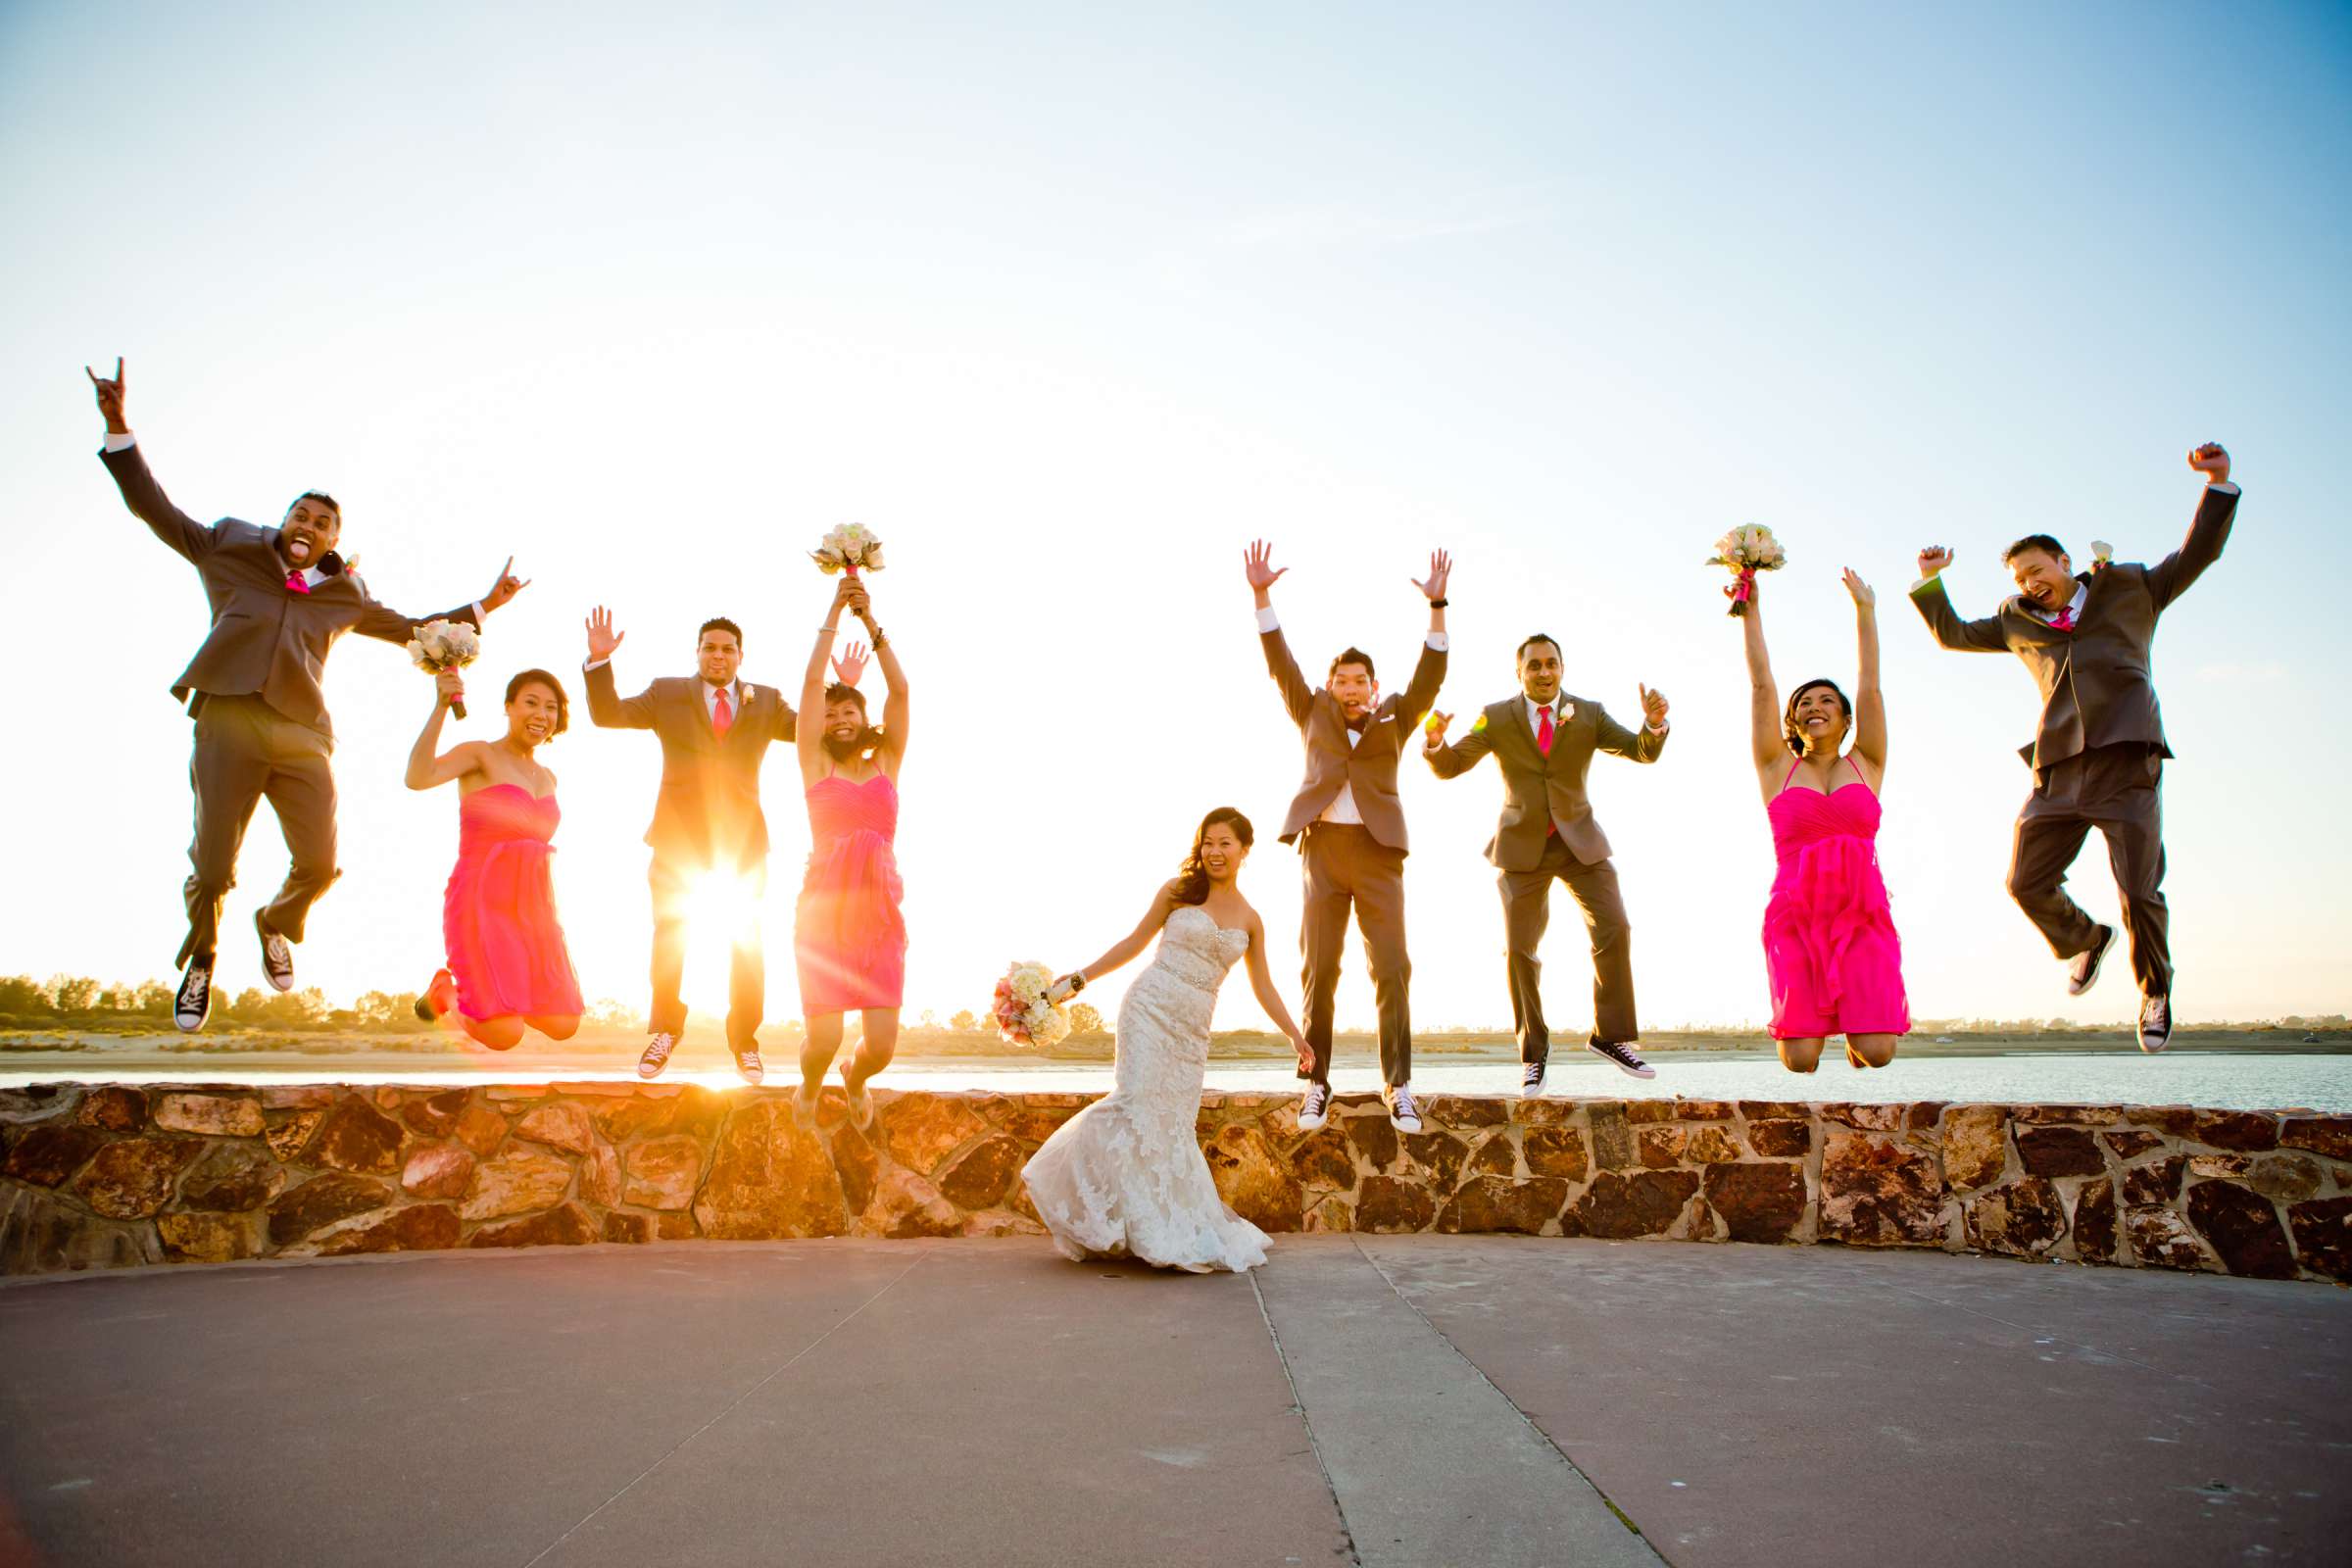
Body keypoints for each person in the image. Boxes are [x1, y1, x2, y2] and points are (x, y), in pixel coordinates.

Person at [86, 359, 528, 1032]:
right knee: (211, 867)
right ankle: (201, 958)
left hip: (302, 734)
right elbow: (156, 510)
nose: (309, 523)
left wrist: (485, 605)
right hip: (229, 718)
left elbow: (413, 629)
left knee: (321, 862)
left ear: (333, 541)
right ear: (284, 521)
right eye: (300, 513)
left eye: (323, 521)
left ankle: (277, 921)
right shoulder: (228, 546)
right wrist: (121, 431)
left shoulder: (345, 593)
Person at [1910, 443, 2239, 1054]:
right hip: (2057, 769)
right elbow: (1953, 634)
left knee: (2139, 888)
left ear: (2064, 562)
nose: (2031, 585)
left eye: (2038, 571)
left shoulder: (2133, 587)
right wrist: (1932, 581)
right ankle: (2086, 940)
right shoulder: (2015, 619)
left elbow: (2199, 553)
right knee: (2024, 881)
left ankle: (2155, 990)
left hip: (2126, 764)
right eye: (2020, 579)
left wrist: (2217, 484)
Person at [1021, 808, 1310, 1273]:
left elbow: (1264, 986)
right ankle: (1093, 1210)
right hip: (1149, 1008)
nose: (1214, 852)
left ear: (1244, 850)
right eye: (1207, 843)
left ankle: (1156, 1228)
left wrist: (1295, 1035)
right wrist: (1077, 981)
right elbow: (1134, 942)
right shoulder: (1178, 893)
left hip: (1192, 1031)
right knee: (1132, 1102)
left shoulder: (1251, 919)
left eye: (1224, 843)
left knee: (1172, 1126)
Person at [1246, 540, 1448, 1136]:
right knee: (1320, 971)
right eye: (1342, 679)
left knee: (1392, 967)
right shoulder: (1310, 710)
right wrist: (1262, 596)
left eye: (1360, 680)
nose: (1351, 687)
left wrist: (1437, 606)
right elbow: (1278, 660)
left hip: (1380, 854)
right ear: (1331, 686)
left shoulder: (1396, 716)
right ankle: (1315, 1081)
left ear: (1374, 686)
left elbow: (1432, 673)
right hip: (1323, 855)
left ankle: (1399, 1084)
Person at [1422, 635, 1669, 1093]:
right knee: (1519, 950)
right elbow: (1453, 763)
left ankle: (1611, 1036)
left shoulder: (1589, 713)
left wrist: (1653, 726)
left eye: (1551, 663)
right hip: (1521, 850)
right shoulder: (1493, 717)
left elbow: (1639, 750)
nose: (1543, 671)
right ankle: (1533, 1055)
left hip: (1581, 845)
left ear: (1562, 667)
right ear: (1519, 672)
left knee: (1615, 927)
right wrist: (1435, 743)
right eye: (1533, 665)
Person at [584, 608, 798, 1083]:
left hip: (742, 842)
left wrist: (840, 690)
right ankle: (664, 1032)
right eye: (709, 647)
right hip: (677, 836)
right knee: (671, 935)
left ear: (741, 656)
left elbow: (814, 734)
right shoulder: (668, 693)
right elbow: (609, 715)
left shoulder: (766, 700)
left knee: (747, 942)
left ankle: (745, 1042)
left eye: (727, 649)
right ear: (697, 652)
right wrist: (599, 663)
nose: (717, 655)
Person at [1740, 571, 1908, 1072]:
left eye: (1826, 701)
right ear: (1793, 722)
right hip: (1796, 913)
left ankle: (1859, 1035)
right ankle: (1822, 1029)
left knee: (1878, 1054)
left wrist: (1865, 610)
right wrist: (1750, 607)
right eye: (1805, 704)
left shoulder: (1867, 763)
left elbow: (1871, 686)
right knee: (1800, 1061)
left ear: (1845, 718)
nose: (1815, 707)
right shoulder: (1777, 768)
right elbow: (1761, 685)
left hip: (1862, 913)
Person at [405, 668, 584, 1050]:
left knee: (564, 1022)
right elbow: (418, 777)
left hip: (532, 909)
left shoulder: (549, 776)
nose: (541, 714)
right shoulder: (480, 754)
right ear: (508, 707)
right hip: (480, 900)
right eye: (530, 703)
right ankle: (445, 994)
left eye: (550, 707)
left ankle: (500, 1001)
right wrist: (440, 707)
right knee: (504, 1034)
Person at [791, 577, 909, 1130]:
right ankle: (812, 1082)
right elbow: (815, 682)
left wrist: (872, 621)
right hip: (825, 912)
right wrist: (834, 611)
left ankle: (855, 1078)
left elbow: (902, 693)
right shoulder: (817, 766)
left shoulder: (887, 763)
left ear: (864, 720)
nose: (840, 720)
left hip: (880, 914)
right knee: (824, 1037)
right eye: (832, 715)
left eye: (849, 713)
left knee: (880, 1046)